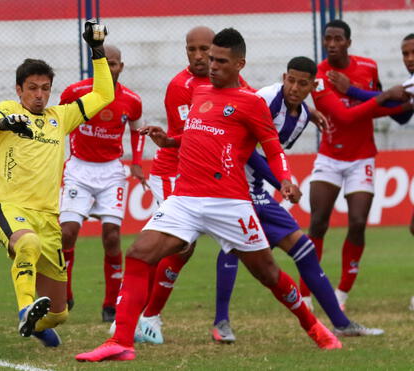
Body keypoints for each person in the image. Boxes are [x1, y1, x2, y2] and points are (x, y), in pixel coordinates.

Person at [76, 28, 341, 363]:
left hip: (229, 203)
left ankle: (314, 327)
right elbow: (194, 134)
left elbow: (273, 149)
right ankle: (121, 341)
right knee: (140, 253)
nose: (211, 65)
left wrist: (284, 180)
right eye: (210, 58)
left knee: (268, 274)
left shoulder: (251, 103)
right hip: (186, 198)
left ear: (239, 64)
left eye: (220, 60)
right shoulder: (199, 93)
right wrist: (169, 141)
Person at [206, 56, 383, 343]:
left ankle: (341, 323)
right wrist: (283, 182)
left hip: (257, 191)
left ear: (313, 86)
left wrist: (279, 181)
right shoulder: (265, 98)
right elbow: (246, 148)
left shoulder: (301, 117)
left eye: (303, 84)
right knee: (231, 247)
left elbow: (269, 152)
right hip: (232, 185)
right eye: (291, 80)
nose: (295, 88)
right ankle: (220, 323)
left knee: (304, 249)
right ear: (283, 77)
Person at [0, 19, 113, 347]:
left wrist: (97, 51)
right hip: (9, 209)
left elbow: (104, 94)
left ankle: (37, 323)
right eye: (32, 88)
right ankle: (25, 307)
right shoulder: (10, 110)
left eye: (44, 88)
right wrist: (10, 121)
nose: (39, 95)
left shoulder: (60, 117)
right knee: (27, 244)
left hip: (47, 219)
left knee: (59, 313)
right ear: (19, 89)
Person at [136, 26, 250, 344]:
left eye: (204, 49)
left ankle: (139, 314)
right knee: (180, 245)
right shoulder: (180, 86)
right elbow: (192, 139)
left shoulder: (233, 81)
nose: (199, 57)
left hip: (209, 176)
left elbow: (253, 107)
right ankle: (147, 318)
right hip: (175, 171)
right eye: (192, 50)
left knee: (225, 244)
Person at [303, 20, 411, 310]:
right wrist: (388, 97)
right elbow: (345, 116)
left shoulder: (368, 66)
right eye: (328, 39)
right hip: (329, 158)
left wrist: (401, 107)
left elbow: (382, 109)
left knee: (359, 223)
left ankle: (341, 295)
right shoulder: (320, 75)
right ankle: (305, 295)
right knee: (318, 222)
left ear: (349, 42)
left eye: (338, 38)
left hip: (362, 157)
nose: (332, 44)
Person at [59, 45, 144, 322]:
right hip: (79, 169)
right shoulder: (75, 93)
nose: (110, 68)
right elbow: (57, 125)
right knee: (67, 232)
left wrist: (138, 162)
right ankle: (65, 294)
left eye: (115, 64)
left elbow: (137, 130)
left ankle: (110, 304)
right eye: (105, 63)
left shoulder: (132, 99)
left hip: (111, 172)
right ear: (96, 65)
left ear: (122, 66)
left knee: (111, 235)